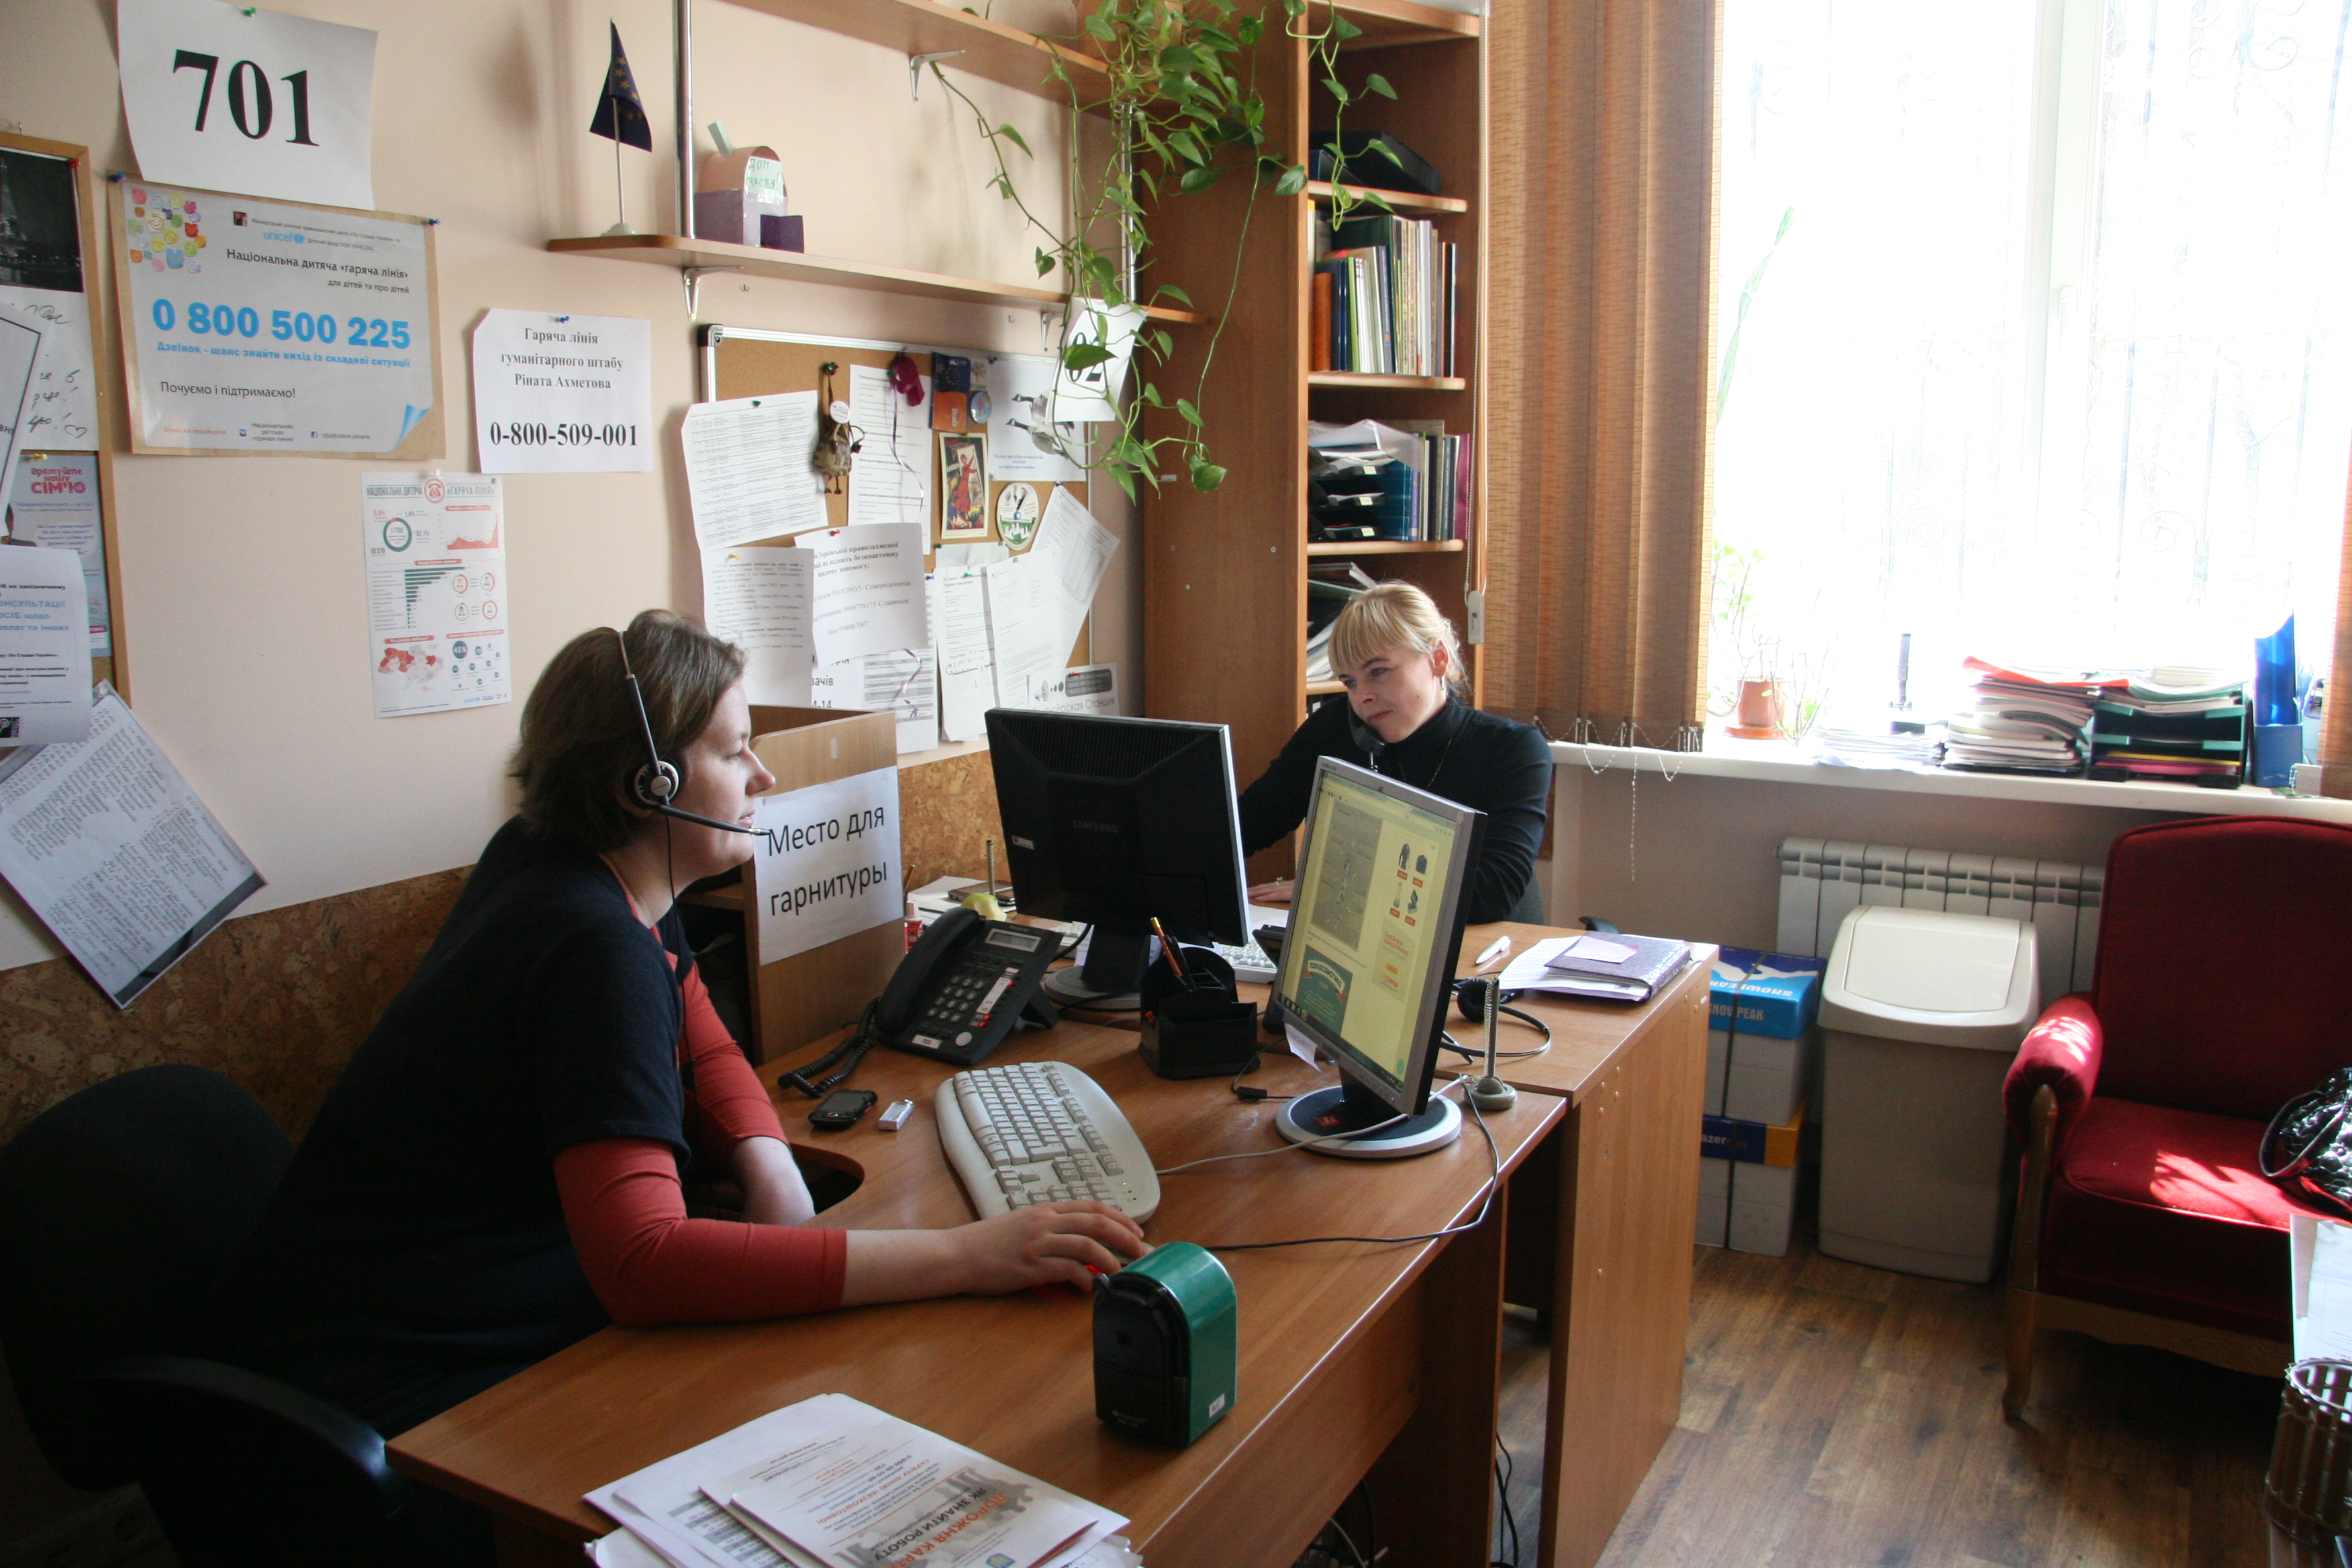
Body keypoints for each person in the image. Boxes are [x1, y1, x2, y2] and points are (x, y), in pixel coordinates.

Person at [208, 611, 1147, 1451]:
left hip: (395, 1317)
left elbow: (690, 1012)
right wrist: (965, 1257)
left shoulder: (567, 860)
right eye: (736, 751)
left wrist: (763, 1155)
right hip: (403, 1395)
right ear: (650, 783)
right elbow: (644, 1265)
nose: (764, 774)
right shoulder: (587, 945)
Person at [1241, 583, 1551, 924]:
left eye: (1378, 672)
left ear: (1438, 658)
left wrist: (1334, 884)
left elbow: (1492, 894)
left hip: (1478, 949)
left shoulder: (1512, 748)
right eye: (1351, 682)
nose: (1362, 698)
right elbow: (1249, 823)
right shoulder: (1335, 729)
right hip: (1368, 931)